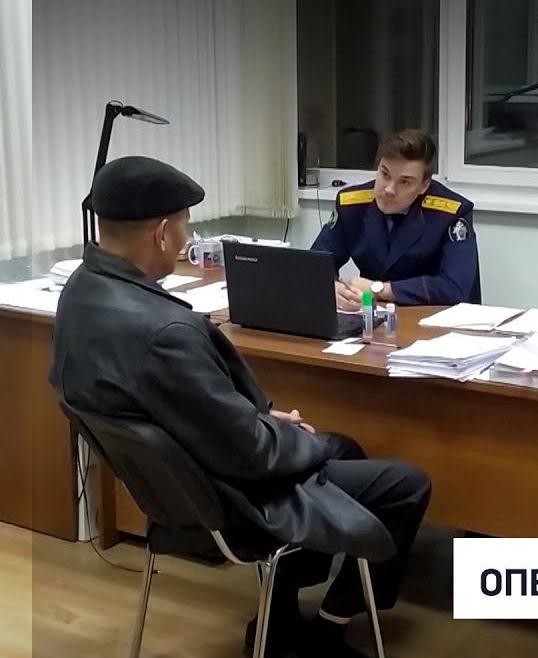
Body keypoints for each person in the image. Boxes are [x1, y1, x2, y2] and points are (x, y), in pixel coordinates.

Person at [50, 156, 431, 658]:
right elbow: (252, 452)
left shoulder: (81, 292)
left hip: (170, 491)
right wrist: (288, 434)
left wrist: (261, 419)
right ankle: (328, 628)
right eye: (184, 225)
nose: (186, 239)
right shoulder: (166, 332)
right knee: (406, 485)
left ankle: (279, 612)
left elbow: (179, 406)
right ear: (162, 233)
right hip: (230, 500)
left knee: (345, 447)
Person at [311, 129, 480, 309]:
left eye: (404, 182)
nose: (389, 189)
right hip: (374, 317)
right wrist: (331, 287)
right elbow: (313, 266)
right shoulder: (352, 206)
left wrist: (380, 289)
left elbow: (454, 288)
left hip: (432, 318)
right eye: (385, 174)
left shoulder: (451, 214)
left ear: (424, 185)